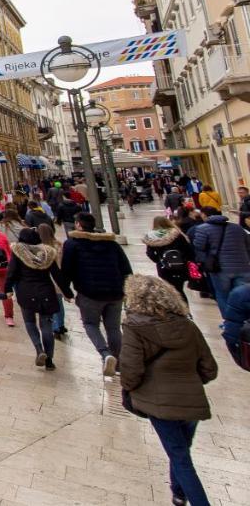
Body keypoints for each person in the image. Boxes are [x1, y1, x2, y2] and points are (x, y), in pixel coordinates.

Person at [119, 275, 218, 506]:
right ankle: (178, 492)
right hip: (192, 403)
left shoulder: (135, 328)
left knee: (181, 457)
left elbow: (131, 371)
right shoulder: (188, 325)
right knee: (181, 451)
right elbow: (209, 369)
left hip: (159, 403)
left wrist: (131, 390)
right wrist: (189, 383)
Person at [62, 212, 132, 377]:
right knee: (113, 328)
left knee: (90, 324)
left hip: (89, 292)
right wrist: (127, 289)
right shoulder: (111, 244)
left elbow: (67, 269)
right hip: (115, 291)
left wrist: (66, 291)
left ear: (79, 224)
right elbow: (126, 268)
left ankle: (105, 354)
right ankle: (118, 363)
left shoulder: (73, 244)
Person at [6, 228, 72, 370]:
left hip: (26, 292)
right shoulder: (47, 253)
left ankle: (39, 350)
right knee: (46, 326)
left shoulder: (19, 253)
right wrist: (68, 293)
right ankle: (49, 359)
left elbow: (11, 272)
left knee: (30, 322)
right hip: (46, 292)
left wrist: (8, 289)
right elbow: (57, 275)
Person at [190, 206, 250, 318]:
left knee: (223, 295)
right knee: (244, 295)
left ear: (204, 215)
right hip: (242, 266)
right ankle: (246, 320)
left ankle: (229, 321)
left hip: (220, 268)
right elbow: (247, 245)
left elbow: (199, 246)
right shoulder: (237, 228)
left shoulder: (202, 229)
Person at [143, 215, 196, 304]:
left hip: (164, 267)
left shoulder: (152, 236)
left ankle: (176, 309)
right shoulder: (177, 234)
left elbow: (150, 253)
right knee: (179, 289)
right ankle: (185, 310)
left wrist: (159, 261)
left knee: (170, 289)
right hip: (180, 265)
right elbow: (188, 250)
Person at [37, 223, 70, 340]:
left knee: (51, 303)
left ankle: (55, 326)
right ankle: (60, 324)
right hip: (60, 278)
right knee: (59, 303)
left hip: (47, 278)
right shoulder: (59, 245)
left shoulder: (41, 248)